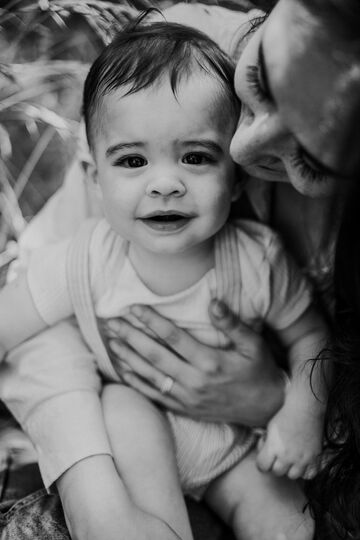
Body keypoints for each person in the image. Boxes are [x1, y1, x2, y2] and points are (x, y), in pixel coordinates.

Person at [0, 0, 359, 538]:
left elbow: (310, 334)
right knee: (127, 418)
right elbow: (10, 322)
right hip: (135, 432)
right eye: (132, 161)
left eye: (196, 157)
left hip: (235, 445)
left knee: (291, 527)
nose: (164, 183)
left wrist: (297, 413)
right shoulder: (84, 256)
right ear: (93, 177)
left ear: (234, 184)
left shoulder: (254, 258)